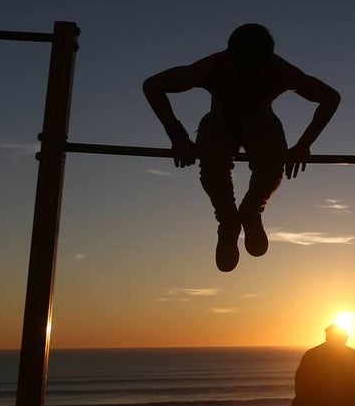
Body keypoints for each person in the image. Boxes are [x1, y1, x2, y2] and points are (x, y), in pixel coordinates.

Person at [143, 23, 340, 272]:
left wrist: (303, 145)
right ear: (232, 55)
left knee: (271, 165)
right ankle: (228, 221)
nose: (248, 74)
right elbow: (153, 85)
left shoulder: (278, 70)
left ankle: (251, 210)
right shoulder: (214, 66)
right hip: (220, 124)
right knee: (214, 167)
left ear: (266, 58)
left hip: (262, 126)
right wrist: (178, 137)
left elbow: (330, 97)